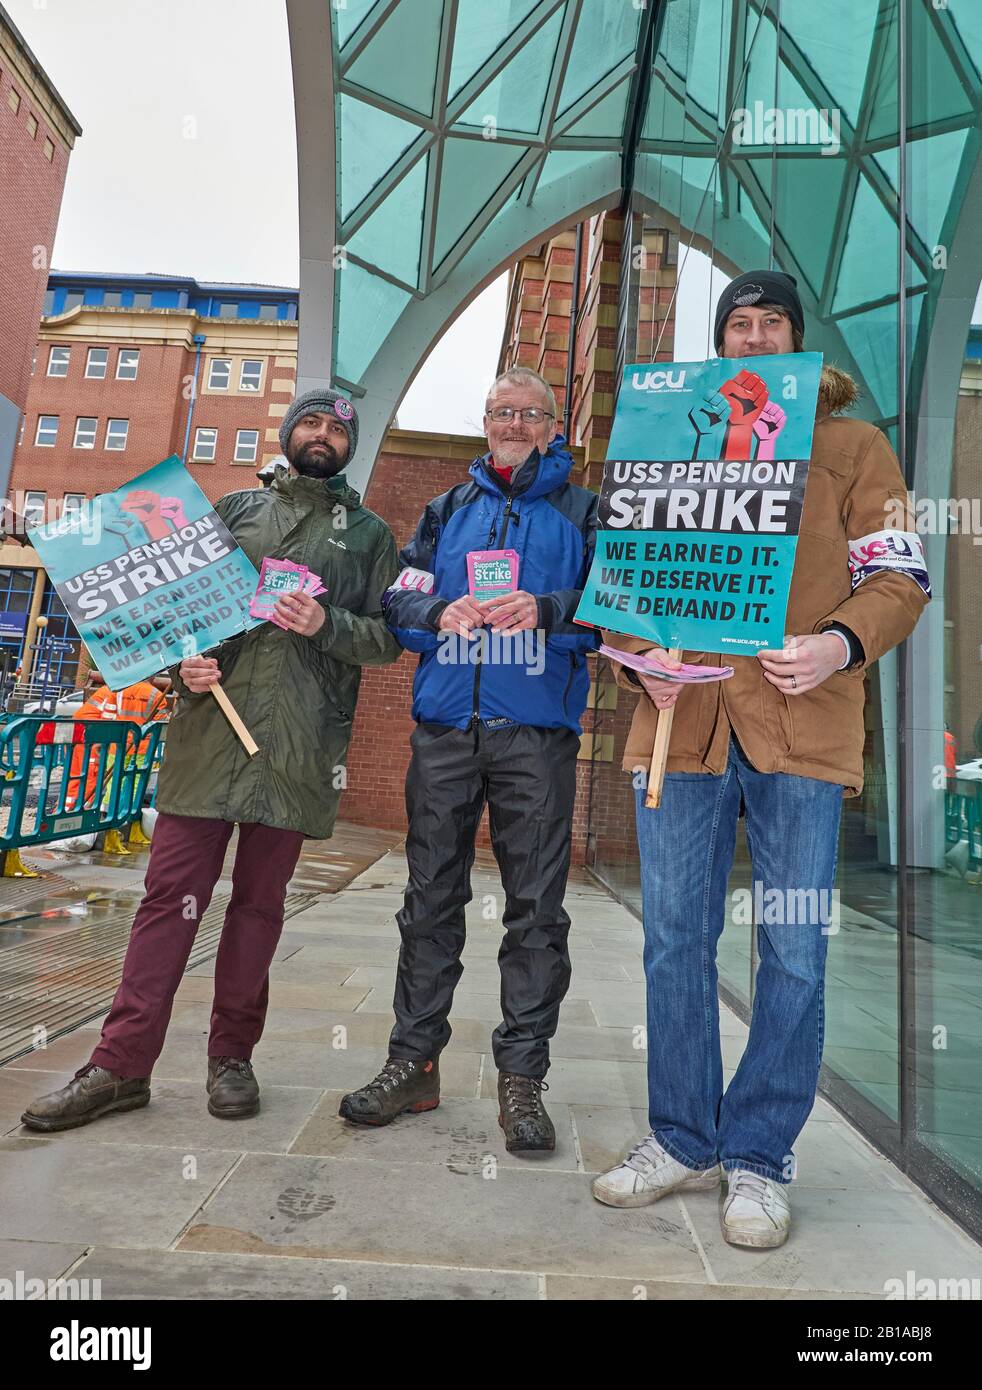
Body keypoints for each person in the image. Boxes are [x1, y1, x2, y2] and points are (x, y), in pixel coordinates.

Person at [593, 271, 930, 1246]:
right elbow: (630, 576)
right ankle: (681, 1136)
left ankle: (759, 1157)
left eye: (767, 323)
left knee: (790, 948)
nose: (749, 337)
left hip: (802, 723)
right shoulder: (676, 437)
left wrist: (837, 643)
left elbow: (898, 574)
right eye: (734, 325)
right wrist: (636, 661)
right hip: (682, 726)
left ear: (793, 340)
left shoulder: (855, 446)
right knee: (671, 941)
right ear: (720, 342)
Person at [22, 388, 401, 1131]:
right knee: (168, 905)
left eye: (337, 428)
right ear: (291, 432)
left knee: (258, 910)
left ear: (349, 445)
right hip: (208, 739)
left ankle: (232, 1058)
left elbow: (388, 638)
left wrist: (328, 622)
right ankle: (119, 1065)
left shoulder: (368, 536)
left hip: (296, 750)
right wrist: (180, 664)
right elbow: (171, 615)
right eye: (312, 422)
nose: (323, 435)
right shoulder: (231, 513)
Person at [339, 367, 598, 1154]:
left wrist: (549, 611)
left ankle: (522, 1081)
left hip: (536, 734)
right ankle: (412, 1062)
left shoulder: (587, 512)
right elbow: (398, 603)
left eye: (530, 413)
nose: (514, 423)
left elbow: (621, 611)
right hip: (447, 730)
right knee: (428, 902)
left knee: (535, 914)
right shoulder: (446, 510)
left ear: (554, 427)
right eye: (501, 412)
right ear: (485, 424)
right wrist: (437, 609)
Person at [64, 674, 170, 811]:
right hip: (139, 747)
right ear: (152, 676)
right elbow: (160, 726)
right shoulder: (156, 694)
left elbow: (108, 717)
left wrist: (104, 741)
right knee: (133, 779)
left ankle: (98, 810)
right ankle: (126, 810)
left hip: (111, 742)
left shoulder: (118, 690)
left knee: (108, 778)